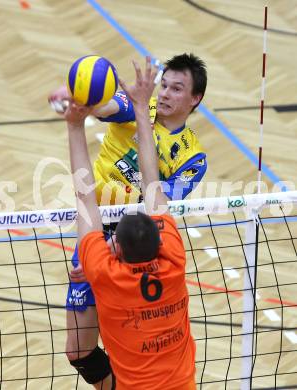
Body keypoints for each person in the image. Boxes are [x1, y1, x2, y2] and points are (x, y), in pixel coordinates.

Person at [49, 53, 207, 389]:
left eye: (177, 89)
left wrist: (107, 251)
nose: (164, 93)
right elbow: (103, 106)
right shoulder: (138, 106)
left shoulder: (193, 157)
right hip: (94, 232)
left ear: (195, 99)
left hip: (137, 243)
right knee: (78, 351)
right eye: (163, 85)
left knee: (135, 334)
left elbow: (158, 202)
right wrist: (78, 97)